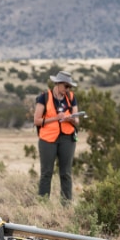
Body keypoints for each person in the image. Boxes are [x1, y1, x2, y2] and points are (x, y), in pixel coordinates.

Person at [33, 70, 80, 201]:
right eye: (66, 86)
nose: (68, 89)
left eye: (69, 87)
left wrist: (70, 118)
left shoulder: (71, 97)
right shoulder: (44, 97)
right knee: (46, 173)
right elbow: (36, 120)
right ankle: (43, 203)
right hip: (48, 139)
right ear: (58, 84)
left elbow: (77, 120)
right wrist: (55, 118)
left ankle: (66, 205)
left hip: (67, 138)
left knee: (66, 173)